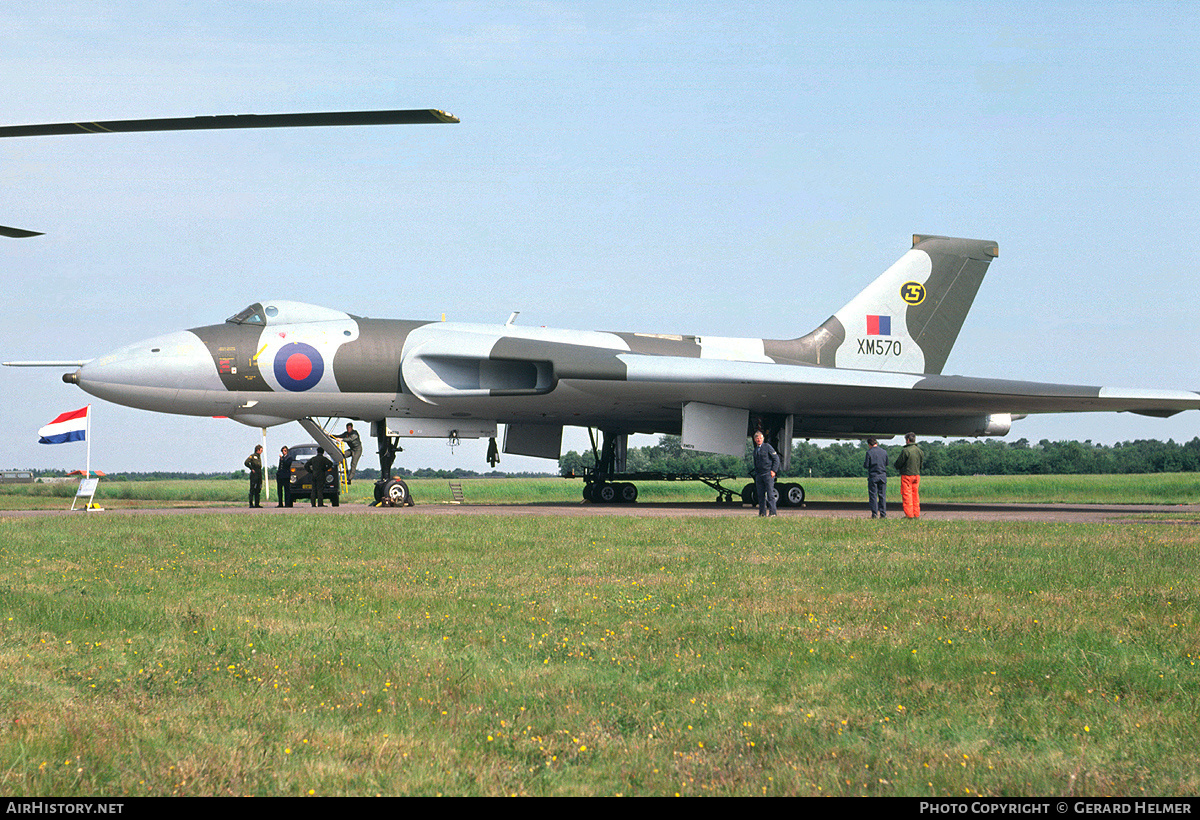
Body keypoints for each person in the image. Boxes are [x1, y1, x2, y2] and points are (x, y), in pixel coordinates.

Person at [894, 432, 924, 518]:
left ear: (907, 440)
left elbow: (899, 463)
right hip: (916, 475)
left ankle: (909, 515)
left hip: (907, 475)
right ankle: (916, 514)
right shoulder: (920, 451)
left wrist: (897, 467)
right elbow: (921, 464)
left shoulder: (906, 451)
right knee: (915, 495)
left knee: (907, 495)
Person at [752, 430, 781, 517]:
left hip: (768, 473)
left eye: (760, 438)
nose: (759, 440)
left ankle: (773, 513)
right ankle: (762, 513)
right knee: (760, 495)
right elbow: (755, 463)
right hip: (759, 475)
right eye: (757, 438)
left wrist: (773, 470)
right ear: (755, 440)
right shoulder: (755, 450)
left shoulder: (767, 447)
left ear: (763, 439)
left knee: (770, 494)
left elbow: (776, 459)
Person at [863, 437, 888, 518]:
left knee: (873, 495)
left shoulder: (869, 452)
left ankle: (874, 514)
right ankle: (883, 514)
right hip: (882, 476)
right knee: (882, 495)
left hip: (873, 476)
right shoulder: (884, 452)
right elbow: (887, 463)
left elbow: (866, 465)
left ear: (869, 444)